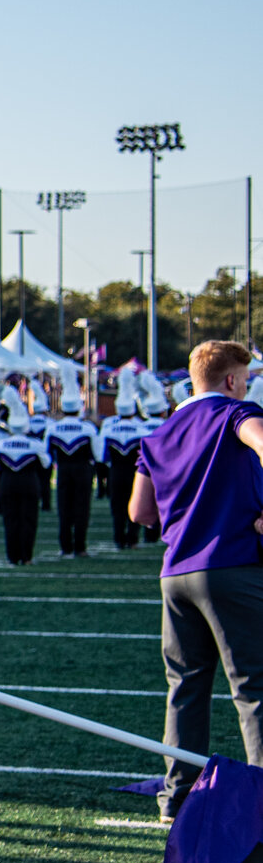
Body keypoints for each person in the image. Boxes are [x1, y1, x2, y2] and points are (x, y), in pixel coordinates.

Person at [128, 340, 263, 823]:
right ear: (230, 380)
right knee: (253, 688)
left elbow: (139, 512)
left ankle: (177, 799)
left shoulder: (161, 432)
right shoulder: (235, 413)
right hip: (230, 566)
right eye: (244, 379)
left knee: (185, 689)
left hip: (175, 572)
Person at [0, 395, 49, 566]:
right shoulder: (35, 444)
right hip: (29, 482)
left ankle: (12, 556)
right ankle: (26, 556)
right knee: (28, 520)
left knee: (10, 520)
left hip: (7, 483)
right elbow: (46, 464)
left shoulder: (2, 444)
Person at [47, 378, 97, 558]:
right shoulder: (87, 428)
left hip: (63, 470)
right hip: (83, 470)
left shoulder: (54, 428)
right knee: (82, 508)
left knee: (64, 507)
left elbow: (47, 456)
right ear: (78, 408)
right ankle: (80, 547)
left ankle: (65, 546)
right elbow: (97, 454)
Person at [100, 386, 144, 549]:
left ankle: (119, 539)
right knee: (134, 504)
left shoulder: (108, 430)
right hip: (135, 472)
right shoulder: (141, 429)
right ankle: (132, 539)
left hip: (116, 472)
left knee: (117, 507)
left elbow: (102, 457)